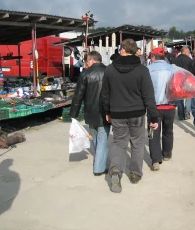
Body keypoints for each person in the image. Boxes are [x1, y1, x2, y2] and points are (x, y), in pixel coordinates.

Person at [102, 39, 159, 193]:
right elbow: (149, 96)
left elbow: (105, 94)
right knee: (137, 143)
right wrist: (154, 117)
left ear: (122, 50)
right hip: (137, 113)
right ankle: (135, 173)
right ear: (135, 51)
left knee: (119, 143)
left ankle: (115, 171)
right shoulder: (142, 70)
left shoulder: (110, 69)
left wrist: (107, 112)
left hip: (117, 113)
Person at [70, 51, 110, 176]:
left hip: (90, 112)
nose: (86, 63)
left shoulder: (85, 74)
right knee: (102, 139)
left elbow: (78, 96)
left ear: (92, 60)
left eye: (87, 60)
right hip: (105, 111)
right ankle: (99, 168)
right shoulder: (109, 72)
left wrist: (73, 114)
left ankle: (99, 163)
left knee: (95, 138)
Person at [147, 47, 176, 171]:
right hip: (170, 105)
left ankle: (155, 160)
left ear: (153, 57)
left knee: (154, 132)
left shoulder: (148, 70)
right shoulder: (172, 69)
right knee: (168, 131)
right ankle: (167, 154)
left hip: (154, 107)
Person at [173, 46, 193, 120]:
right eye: (188, 52)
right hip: (187, 81)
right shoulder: (189, 60)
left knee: (179, 98)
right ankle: (187, 111)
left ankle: (180, 114)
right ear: (184, 52)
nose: (189, 54)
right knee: (189, 97)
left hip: (178, 81)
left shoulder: (175, 60)